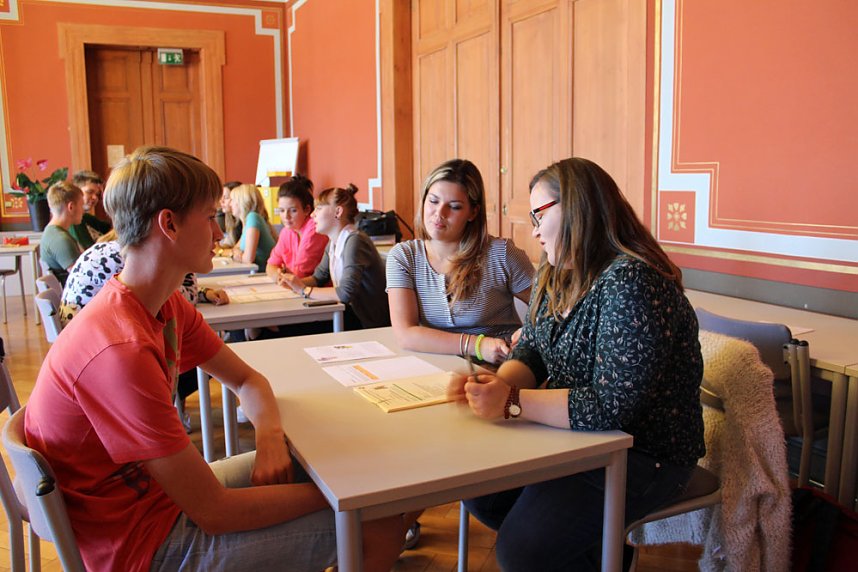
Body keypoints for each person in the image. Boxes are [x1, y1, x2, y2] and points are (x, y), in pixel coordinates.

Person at [25, 146, 409, 572]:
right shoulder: (120, 349)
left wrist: (268, 439)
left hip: (155, 504)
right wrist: (346, 495)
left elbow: (249, 381)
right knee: (374, 520)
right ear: (167, 224)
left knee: (348, 478)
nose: (219, 234)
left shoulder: (164, 305)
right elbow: (216, 512)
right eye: (209, 217)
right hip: (140, 546)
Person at [447, 157, 705, 571]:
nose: (532, 230)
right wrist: (495, 388)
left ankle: (601, 551)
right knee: (483, 495)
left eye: (538, 214)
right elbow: (530, 349)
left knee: (522, 550)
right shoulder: (557, 272)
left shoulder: (633, 281)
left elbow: (611, 407)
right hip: (580, 439)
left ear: (577, 208)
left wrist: (512, 402)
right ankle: (602, 552)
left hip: (644, 455)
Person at [386, 158, 534, 365]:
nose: (440, 213)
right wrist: (478, 345)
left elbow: (550, 309)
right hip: (435, 366)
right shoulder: (403, 257)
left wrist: (527, 334)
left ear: (473, 212)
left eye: (454, 207)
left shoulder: (502, 253)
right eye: (433, 201)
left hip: (498, 368)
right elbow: (406, 334)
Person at [280, 184, 390, 330]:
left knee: (281, 328)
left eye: (318, 209)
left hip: (366, 322)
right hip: (348, 315)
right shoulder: (333, 242)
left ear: (338, 212)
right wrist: (294, 283)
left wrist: (304, 290)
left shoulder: (355, 241)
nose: (312, 215)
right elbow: (318, 278)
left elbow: (345, 293)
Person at [266, 174, 328, 280]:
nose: (286, 216)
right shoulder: (287, 231)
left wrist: (284, 274)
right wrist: (279, 275)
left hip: (318, 291)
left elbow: (300, 273)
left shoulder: (314, 228)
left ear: (307, 210)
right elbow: (270, 266)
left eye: (293, 210)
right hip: (297, 289)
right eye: (282, 210)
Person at [40, 181, 84, 286]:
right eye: (81, 205)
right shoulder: (60, 239)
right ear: (71, 207)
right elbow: (82, 277)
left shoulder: (52, 233)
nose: (83, 211)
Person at [229, 183, 277, 268]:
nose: (230, 204)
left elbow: (248, 260)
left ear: (242, 201)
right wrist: (236, 252)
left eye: (232, 200)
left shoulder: (253, 218)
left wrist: (235, 256)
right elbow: (236, 248)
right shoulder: (248, 222)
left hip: (262, 275)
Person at [69, 170, 112, 250]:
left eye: (97, 194)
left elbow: (110, 228)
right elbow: (90, 250)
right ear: (76, 191)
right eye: (90, 192)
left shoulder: (85, 217)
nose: (95, 197)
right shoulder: (74, 221)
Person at [217, 180, 242, 247]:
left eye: (226, 198)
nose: (221, 201)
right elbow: (228, 243)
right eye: (221, 197)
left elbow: (237, 249)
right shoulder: (229, 217)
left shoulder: (248, 219)